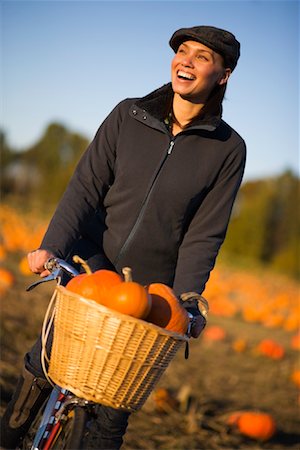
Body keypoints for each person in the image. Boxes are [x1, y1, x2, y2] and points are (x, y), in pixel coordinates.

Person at [0, 25, 246, 449]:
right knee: (45, 362)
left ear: (223, 75)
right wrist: (53, 246)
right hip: (89, 262)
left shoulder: (227, 149)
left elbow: (205, 234)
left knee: (114, 409)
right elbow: (85, 186)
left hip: (149, 288)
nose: (185, 60)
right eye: (182, 51)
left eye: (201, 57)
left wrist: (186, 301)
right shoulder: (129, 114)